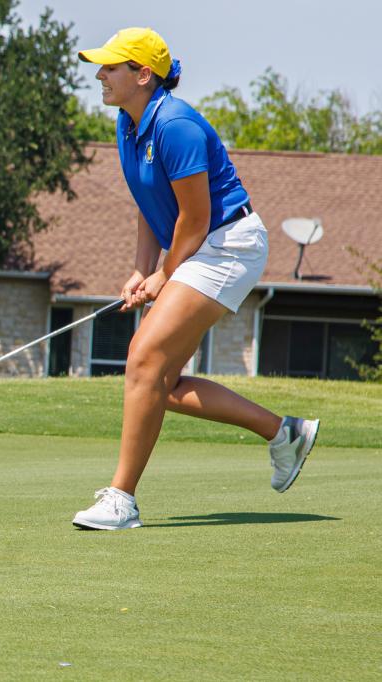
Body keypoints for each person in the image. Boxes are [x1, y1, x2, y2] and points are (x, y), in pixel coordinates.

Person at [72, 28, 320, 530]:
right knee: (158, 385)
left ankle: (122, 498)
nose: (100, 75)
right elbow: (149, 206)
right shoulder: (127, 123)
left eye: (111, 67)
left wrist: (165, 273)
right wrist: (143, 268)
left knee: (142, 357)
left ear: (143, 75)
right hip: (199, 243)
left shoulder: (176, 125)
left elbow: (196, 218)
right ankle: (284, 433)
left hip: (228, 244)